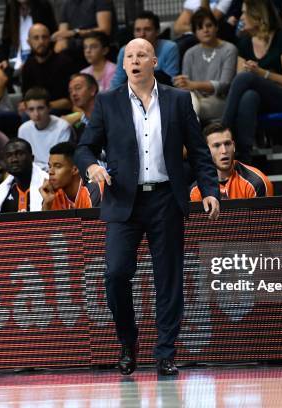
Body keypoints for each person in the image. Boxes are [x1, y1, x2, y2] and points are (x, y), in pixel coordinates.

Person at [75, 38, 220, 376]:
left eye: (142, 55)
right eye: (129, 56)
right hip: (124, 199)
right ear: (123, 65)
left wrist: (210, 190)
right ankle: (128, 342)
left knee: (168, 278)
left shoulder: (179, 100)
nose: (135, 60)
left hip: (166, 198)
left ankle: (165, 353)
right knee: (115, 274)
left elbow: (199, 152)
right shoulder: (108, 103)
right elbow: (84, 148)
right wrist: (93, 167)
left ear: (154, 61)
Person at [221, 0, 282, 162]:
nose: (240, 17)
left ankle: (222, 129)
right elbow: (240, 81)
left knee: (247, 78)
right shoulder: (244, 42)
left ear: (257, 16)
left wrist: (261, 73)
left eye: (244, 12)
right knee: (249, 96)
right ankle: (244, 155)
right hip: (259, 98)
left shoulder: (281, 38)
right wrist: (252, 74)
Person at [173, 7, 237, 124]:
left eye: (209, 25)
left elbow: (224, 85)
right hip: (195, 98)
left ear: (216, 27)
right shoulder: (190, 53)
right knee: (186, 103)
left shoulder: (229, 49)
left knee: (186, 109)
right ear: (194, 32)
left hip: (221, 100)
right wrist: (181, 83)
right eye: (200, 27)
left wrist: (193, 85)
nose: (205, 30)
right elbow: (186, 87)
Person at [190, 123, 273, 200]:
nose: (224, 150)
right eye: (217, 145)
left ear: (233, 146)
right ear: (206, 150)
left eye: (227, 144)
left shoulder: (256, 183)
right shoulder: (197, 190)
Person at [110, 11, 180, 89]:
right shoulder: (125, 51)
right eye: (138, 30)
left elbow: (171, 80)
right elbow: (117, 82)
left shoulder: (170, 48)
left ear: (157, 31)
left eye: (147, 29)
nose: (142, 34)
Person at [21, 23, 78, 112]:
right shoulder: (28, 66)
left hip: (60, 112)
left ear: (50, 40)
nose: (41, 41)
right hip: (36, 111)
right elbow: (26, 97)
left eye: (44, 37)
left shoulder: (65, 62)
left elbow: (69, 102)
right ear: (29, 42)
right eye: (36, 38)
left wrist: (43, 106)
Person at [18, 87, 73, 171]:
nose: (36, 114)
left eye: (40, 108)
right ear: (26, 111)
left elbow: (61, 162)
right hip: (33, 173)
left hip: (55, 173)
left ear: (49, 108)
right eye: (31, 109)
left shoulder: (63, 128)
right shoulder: (23, 129)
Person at [0, 139, 49, 214]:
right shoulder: (0, 192)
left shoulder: (48, 185)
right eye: (9, 155)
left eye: (20, 154)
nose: (14, 159)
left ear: (32, 158)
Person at [40, 142, 102, 210]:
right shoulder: (53, 194)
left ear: (75, 169)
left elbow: (91, 220)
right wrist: (47, 204)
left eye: (58, 166)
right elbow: (47, 220)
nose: (50, 172)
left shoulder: (93, 188)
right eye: (50, 166)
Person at [0, 0, 58, 72]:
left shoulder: (43, 5)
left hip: (39, 58)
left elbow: (52, 34)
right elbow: (6, 37)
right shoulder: (11, 7)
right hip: (16, 58)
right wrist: (3, 59)